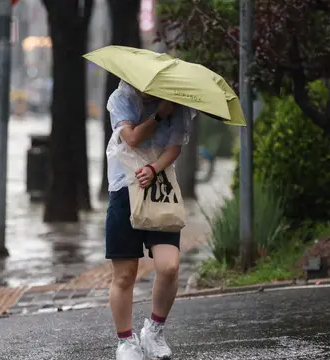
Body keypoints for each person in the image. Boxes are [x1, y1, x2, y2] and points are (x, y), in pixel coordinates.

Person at [106, 80, 192, 360]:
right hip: (124, 190)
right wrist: (158, 114)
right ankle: (125, 342)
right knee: (125, 273)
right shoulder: (121, 98)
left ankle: (154, 331)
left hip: (160, 191)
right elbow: (131, 138)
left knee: (169, 266)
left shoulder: (175, 102)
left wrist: (154, 169)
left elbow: (175, 147)